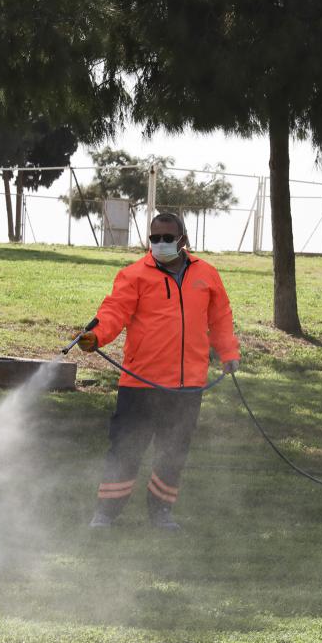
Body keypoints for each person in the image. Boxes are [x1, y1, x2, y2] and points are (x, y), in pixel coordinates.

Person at [75, 212, 240, 530]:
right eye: (155, 238)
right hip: (140, 383)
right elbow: (114, 311)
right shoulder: (134, 275)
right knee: (126, 449)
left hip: (187, 386)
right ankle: (105, 514)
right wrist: (97, 336)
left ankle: (161, 512)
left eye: (167, 238)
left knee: (173, 452)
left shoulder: (206, 274)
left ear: (183, 239)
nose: (161, 244)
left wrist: (229, 353)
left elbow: (220, 318)